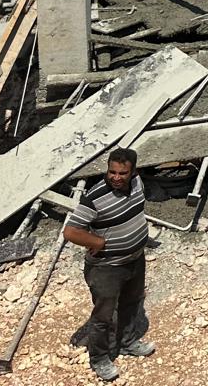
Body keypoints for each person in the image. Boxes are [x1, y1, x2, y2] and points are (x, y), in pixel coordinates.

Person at [63, 148, 153, 382]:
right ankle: (100, 358)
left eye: (122, 173)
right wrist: (98, 241)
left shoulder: (137, 183)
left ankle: (127, 342)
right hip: (106, 268)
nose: (116, 177)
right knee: (103, 316)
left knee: (131, 302)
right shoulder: (95, 198)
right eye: (112, 171)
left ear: (133, 172)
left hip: (134, 260)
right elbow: (71, 231)